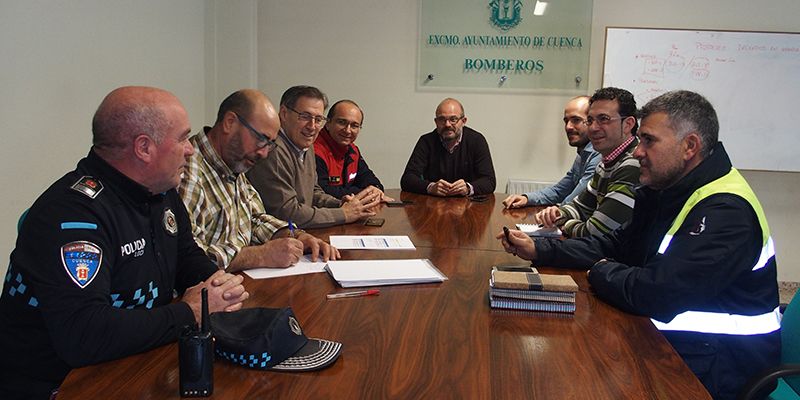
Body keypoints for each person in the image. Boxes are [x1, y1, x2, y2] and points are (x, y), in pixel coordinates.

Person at [499, 90, 781, 400]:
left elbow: (660, 293)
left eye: (649, 141)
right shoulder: (668, 189)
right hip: (673, 344)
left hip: (717, 367)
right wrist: (541, 250)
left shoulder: (726, 210)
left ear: (689, 146)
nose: (637, 152)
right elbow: (615, 245)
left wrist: (601, 272)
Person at [0, 86, 248, 399]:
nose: (191, 150)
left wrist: (218, 285)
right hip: (60, 385)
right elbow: (85, 334)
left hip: (134, 362)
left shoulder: (160, 192)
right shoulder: (70, 214)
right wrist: (190, 313)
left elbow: (187, 259)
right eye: (184, 138)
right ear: (144, 148)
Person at [179, 89, 339, 272]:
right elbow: (189, 260)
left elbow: (255, 219)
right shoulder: (186, 171)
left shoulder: (233, 162)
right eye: (261, 139)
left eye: (269, 144)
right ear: (230, 123)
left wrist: (296, 235)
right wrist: (260, 255)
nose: (264, 153)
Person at [247, 86, 380, 229]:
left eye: (318, 119)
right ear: (284, 114)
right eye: (305, 116)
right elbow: (288, 213)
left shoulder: (306, 145)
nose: (312, 126)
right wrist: (343, 214)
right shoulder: (273, 151)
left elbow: (313, 192)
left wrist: (340, 204)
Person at [534, 87, 640, 238]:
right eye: (590, 120)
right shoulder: (606, 162)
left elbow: (594, 232)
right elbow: (581, 207)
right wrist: (558, 214)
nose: (593, 127)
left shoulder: (632, 164)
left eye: (603, 119)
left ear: (628, 124)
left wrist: (565, 224)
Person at [502, 96, 601, 207]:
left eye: (576, 120)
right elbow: (559, 191)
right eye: (566, 121)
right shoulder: (582, 154)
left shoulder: (599, 155)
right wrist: (527, 198)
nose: (568, 127)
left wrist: (555, 212)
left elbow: (575, 201)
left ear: (591, 122)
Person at [400, 98, 496, 196]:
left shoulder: (476, 141)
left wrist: (468, 187)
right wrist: (431, 187)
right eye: (442, 119)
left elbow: (489, 181)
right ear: (436, 122)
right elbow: (407, 179)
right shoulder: (426, 141)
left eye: (453, 119)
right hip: (433, 205)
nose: (447, 124)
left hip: (469, 205)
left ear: (463, 121)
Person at [314, 99, 392, 203]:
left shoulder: (353, 150)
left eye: (354, 125)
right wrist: (366, 193)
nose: (347, 130)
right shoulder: (315, 150)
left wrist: (375, 190)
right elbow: (322, 192)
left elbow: (369, 179)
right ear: (328, 123)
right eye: (342, 122)